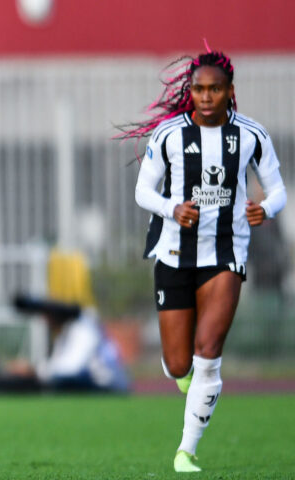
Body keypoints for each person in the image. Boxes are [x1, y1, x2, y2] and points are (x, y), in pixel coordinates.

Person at [121, 47, 287, 472]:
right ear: (190, 92)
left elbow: (278, 190)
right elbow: (143, 192)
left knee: (208, 350)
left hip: (227, 252)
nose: (207, 96)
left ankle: (186, 450)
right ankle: (181, 371)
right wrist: (171, 209)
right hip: (175, 252)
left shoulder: (251, 135)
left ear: (230, 91)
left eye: (215, 89)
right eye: (199, 89)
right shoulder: (168, 135)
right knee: (179, 363)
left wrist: (264, 209)